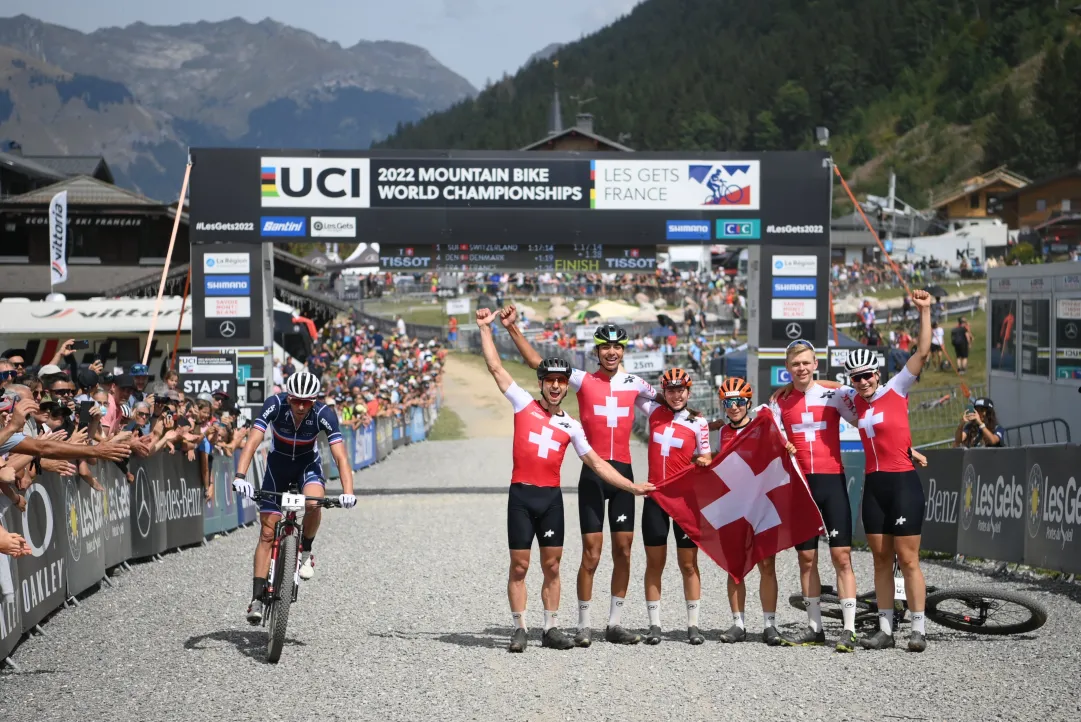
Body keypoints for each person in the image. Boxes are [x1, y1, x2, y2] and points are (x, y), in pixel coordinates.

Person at [475, 309, 653, 653]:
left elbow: (668, 404)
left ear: (624, 350)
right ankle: (533, 628)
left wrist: (705, 428)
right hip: (530, 493)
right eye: (606, 347)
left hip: (595, 481)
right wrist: (498, 328)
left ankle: (574, 626)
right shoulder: (542, 395)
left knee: (570, 561)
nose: (612, 351)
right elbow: (509, 366)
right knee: (533, 562)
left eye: (618, 346)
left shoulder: (587, 415)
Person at [841, 288, 934, 652]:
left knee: (908, 559)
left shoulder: (897, 388)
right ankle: (885, 629)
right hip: (873, 486)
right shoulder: (856, 407)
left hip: (901, 484)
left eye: (866, 375)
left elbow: (923, 352)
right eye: (855, 378)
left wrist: (924, 310)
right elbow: (825, 391)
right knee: (880, 560)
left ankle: (918, 629)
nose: (862, 381)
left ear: (877, 374)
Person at [231, 371, 357, 624]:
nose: (301, 406)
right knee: (267, 533)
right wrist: (240, 476)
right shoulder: (274, 404)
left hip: (307, 465)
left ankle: (306, 550)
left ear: (315, 400)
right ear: (288, 397)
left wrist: (348, 492)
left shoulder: (324, 414)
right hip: (277, 466)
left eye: (307, 401)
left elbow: (340, 456)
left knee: (313, 503)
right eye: (296, 400)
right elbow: (253, 441)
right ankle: (256, 597)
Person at [768, 339, 862, 652]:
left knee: (841, 556)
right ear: (787, 369)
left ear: (815, 364)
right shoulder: (779, 402)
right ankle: (815, 627)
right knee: (806, 559)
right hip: (800, 485)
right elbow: (765, 438)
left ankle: (848, 630)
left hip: (831, 481)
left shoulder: (834, 393)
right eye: (796, 364)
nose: (802, 368)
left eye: (807, 363)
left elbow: (868, 412)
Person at [708, 377, 788, 645]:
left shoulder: (761, 426)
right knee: (735, 568)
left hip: (762, 506)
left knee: (767, 564)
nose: (733, 407)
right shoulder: (721, 431)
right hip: (735, 507)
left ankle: (769, 625)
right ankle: (738, 624)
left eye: (739, 401)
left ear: (748, 403)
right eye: (728, 402)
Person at [636, 368, 712, 646]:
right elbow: (628, 388)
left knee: (688, 564)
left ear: (688, 392)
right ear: (663, 392)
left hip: (685, 501)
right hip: (656, 498)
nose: (676, 395)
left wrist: (704, 461)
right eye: (670, 390)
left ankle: (693, 625)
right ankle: (654, 625)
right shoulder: (653, 411)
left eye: (681, 390)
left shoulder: (698, 422)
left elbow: (705, 455)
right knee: (654, 563)